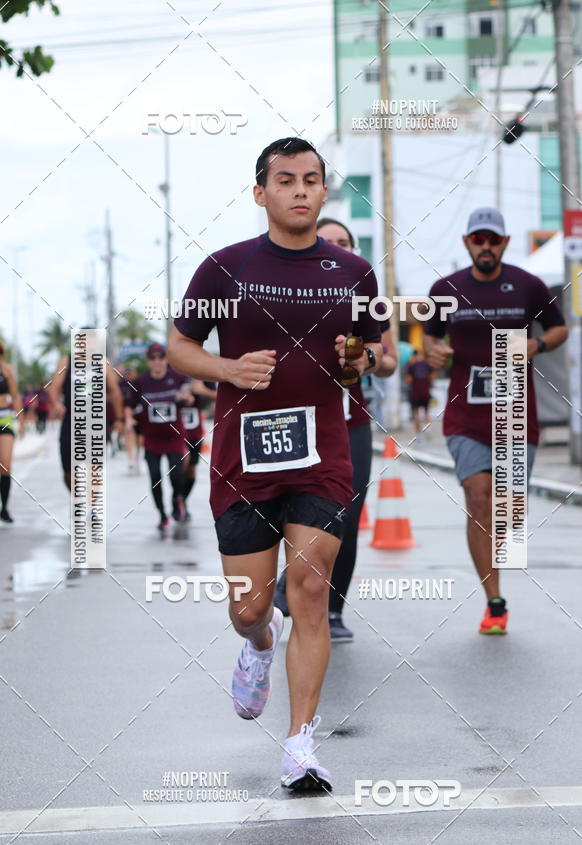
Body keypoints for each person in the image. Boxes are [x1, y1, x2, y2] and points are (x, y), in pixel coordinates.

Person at [168, 137, 382, 791]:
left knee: (310, 590)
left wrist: (359, 360)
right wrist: (228, 369)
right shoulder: (224, 269)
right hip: (244, 459)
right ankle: (259, 643)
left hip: (323, 456)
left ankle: (300, 747)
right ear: (261, 192)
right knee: (249, 608)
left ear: (324, 190)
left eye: (310, 179)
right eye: (285, 180)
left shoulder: (354, 272)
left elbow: (376, 354)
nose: (299, 190)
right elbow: (179, 347)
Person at [424, 207, 568, 635]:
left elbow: (559, 328)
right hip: (465, 415)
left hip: (516, 413)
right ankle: (495, 601)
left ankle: (500, 541)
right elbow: (430, 335)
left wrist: (536, 345)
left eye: (493, 239)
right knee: (478, 498)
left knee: (509, 511)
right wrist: (434, 352)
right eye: (478, 239)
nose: (485, 246)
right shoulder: (445, 289)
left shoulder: (527, 285)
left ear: (504, 243)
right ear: (467, 243)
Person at [273, 217, 398, 642]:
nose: (336, 249)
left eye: (344, 242)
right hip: (292, 420)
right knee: (293, 512)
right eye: (328, 242)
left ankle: (333, 609)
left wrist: (365, 359)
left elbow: (388, 358)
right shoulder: (287, 289)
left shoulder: (363, 292)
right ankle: (288, 584)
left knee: (347, 514)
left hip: (349, 423)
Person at [124, 343, 192, 531]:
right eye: (153, 358)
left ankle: (177, 499)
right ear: (148, 361)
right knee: (155, 477)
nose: (157, 361)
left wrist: (186, 397)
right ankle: (162, 514)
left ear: (166, 359)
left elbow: (188, 394)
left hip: (174, 437)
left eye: (161, 357)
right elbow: (129, 404)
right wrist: (128, 419)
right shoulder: (141, 382)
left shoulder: (177, 378)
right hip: (151, 438)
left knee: (176, 474)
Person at [48, 352, 124, 491]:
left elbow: (114, 391)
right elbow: (54, 387)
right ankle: (78, 496)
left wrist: (119, 419)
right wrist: (56, 404)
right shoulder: (66, 361)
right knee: (69, 472)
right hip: (71, 421)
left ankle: (91, 501)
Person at [180, 379, 217, 516]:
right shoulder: (174, 372)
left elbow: (219, 397)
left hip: (194, 432)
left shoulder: (204, 374)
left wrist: (203, 391)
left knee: (191, 469)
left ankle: (182, 499)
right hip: (176, 432)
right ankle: (177, 499)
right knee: (181, 466)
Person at [0, 343, 23, 523]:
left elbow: (15, 396)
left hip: (4, 418)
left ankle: (4, 508)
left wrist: (21, 420)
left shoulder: (6, 370)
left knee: (5, 464)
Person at [405, 348, 434, 434]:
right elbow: (432, 377)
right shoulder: (427, 365)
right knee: (426, 413)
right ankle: (427, 430)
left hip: (415, 393)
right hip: (425, 392)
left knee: (416, 413)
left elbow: (408, 380)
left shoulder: (411, 366)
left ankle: (418, 433)